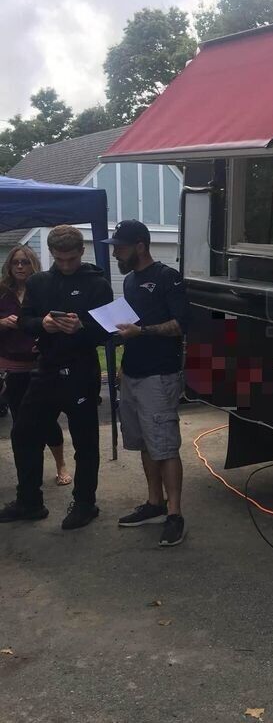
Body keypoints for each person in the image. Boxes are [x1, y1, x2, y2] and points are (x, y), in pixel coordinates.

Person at [0, 226, 113, 529]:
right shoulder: (38, 282)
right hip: (47, 369)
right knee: (24, 433)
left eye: (71, 259)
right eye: (60, 259)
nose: (66, 265)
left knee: (85, 441)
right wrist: (43, 323)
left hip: (81, 371)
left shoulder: (98, 284)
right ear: (51, 253)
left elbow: (109, 331)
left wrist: (82, 327)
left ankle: (85, 503)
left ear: (82, 252)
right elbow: (25, 321)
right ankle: (29, 502)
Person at [106, 220, 189, 547]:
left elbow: (181, 324)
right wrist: (122, 364)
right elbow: (131, 326)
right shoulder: (129, 281)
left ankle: (175, 514)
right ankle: (155, 503)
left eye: (120, 247)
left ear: (140, 246)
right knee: (143, 442)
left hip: (160, 374)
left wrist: (143, 332)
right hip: (133, 372)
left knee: (165, 445)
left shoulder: (168, 277)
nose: (115, 253)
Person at [0, 245, 72, 486]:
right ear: (9, 266)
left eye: (25, 262)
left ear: (33, 265)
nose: (20, 266)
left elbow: (57, 321)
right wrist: (2, 322)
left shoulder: (42, 289)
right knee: (20, 423)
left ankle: (61, 464)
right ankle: (28, 477)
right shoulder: (2, 292)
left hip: (41, 366)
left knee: (47, 420)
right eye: (15, 262)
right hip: (12, 367)